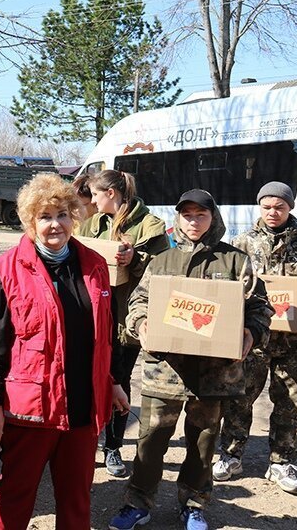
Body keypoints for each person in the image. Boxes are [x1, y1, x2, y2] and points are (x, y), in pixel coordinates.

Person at [108, 189, 272, 530]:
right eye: (187, 215)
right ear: (177, 218)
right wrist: (142, 324)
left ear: (214, 218)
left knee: (203, 443)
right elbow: (138, 302)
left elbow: (260, 308)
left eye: (201, 215)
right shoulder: (162, 260)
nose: (193, 221)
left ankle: (194, 505)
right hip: (164, 371)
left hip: (214, 375)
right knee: (150, 442)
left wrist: (251, 333)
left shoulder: (235, 261)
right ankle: (138, 503)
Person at [0, 173, 129, 530]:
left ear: (74, 216)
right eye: (45, 216)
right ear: (31, 222)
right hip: (33, 408)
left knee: (77, 497)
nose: (55, 224)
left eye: (62, 214)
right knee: (16, 491)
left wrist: (114, 381)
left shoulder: (93, 265)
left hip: (82, 404)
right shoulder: (7, 271)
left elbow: (108, 332)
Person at [213, 182, 297, 494]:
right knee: (239, 399)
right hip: (252, 340)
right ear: (260, 207)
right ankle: (230, 455)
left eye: (279, 207)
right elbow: (224, 284)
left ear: (290, 208)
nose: (273, 212)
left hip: (295, 345)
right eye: (267, 206)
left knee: (287, 404)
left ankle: (281, 462)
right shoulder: (242, 243)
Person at [78, 169, 170, 477]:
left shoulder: (149, 225)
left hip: (128, 317)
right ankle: (86, 439)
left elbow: (165, 266)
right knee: (91, 377)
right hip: (94, 315)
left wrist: (136, 259)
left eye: (95, 194)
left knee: (119, 378)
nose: (91, 200)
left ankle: (113, 447)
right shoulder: (92, 224)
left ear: (111, 194)